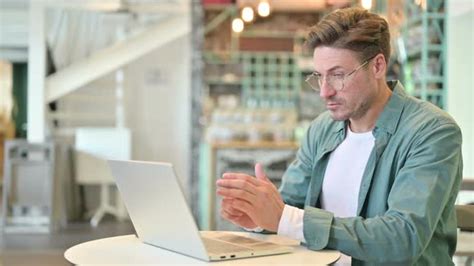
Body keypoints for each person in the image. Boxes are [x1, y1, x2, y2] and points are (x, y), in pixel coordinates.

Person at [216, 7, 463, 265]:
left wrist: (285, 218)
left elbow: (403, 239)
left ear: (378, 66)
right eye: (319, 76)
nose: (324, 92)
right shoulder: (322, 129)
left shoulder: (432, 131)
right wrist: (258, 217)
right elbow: (289, 206)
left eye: (337, 75)